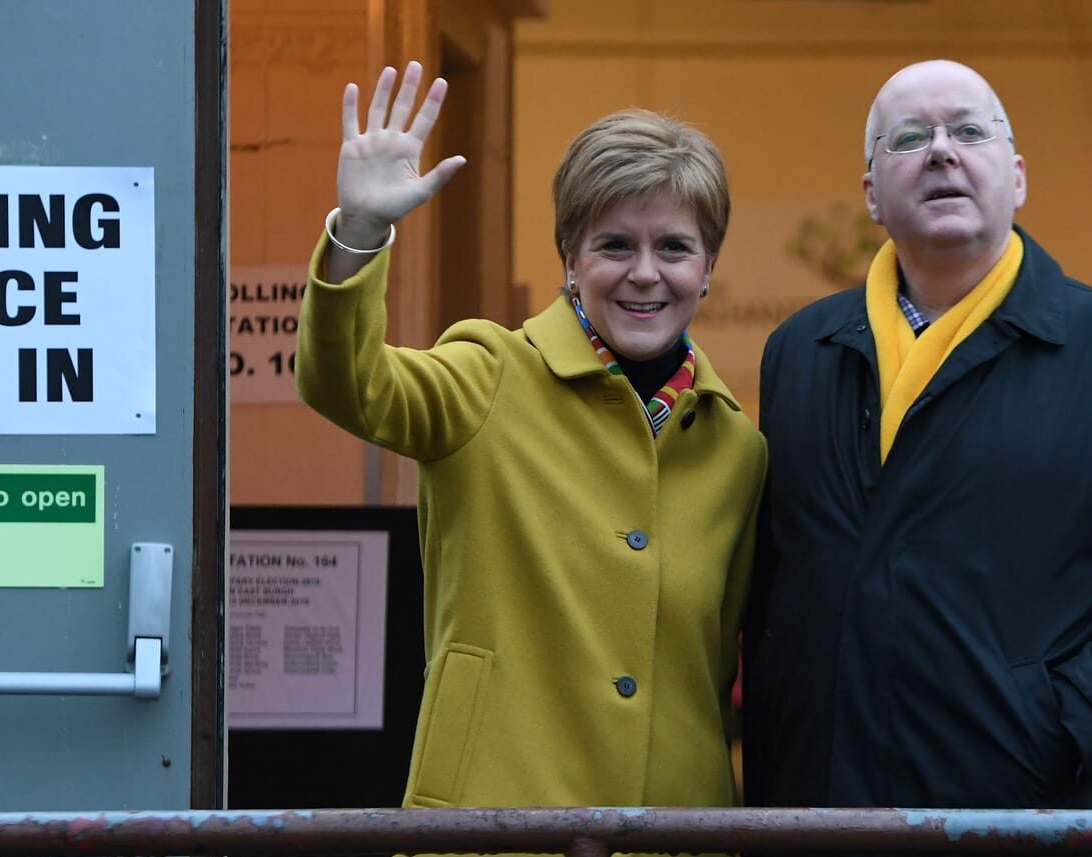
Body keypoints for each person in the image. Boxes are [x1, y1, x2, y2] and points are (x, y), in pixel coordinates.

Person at [741, 59, 1092, 812]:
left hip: (1028, 811)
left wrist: (1074, 722)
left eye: (969, 131)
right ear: (872, 195)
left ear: (1016, 177)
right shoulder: (801, 351)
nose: (942, 150)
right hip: (815, 807)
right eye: (910, 136)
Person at [296, 62, 765, 810]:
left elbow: (712, 667)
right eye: (615, 245)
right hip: (496, 818)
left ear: (708, 269)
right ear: (571, 261)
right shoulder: (490, 373)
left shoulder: (737, 447)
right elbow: (348, 385)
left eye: (674, 248)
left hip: (675, 824)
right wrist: (360, 230)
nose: (646, 274)